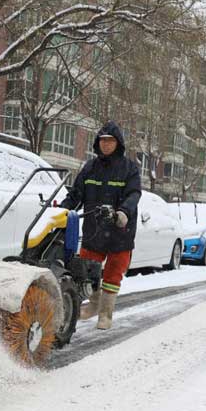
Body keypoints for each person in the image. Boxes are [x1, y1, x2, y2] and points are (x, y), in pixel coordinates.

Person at [60, 121, 141, 330]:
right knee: (87, 270)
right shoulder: (90, 167)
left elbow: (133, 194)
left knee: (113, 274)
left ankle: (105, 313)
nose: (105, 145)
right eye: (102, 141)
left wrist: (123, 212)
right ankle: (94, 304)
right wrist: (61, 211)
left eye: (110, 141)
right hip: (94, 230)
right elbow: (76, 194)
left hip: (120, 231)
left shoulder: (129, 168)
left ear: (118, 143)